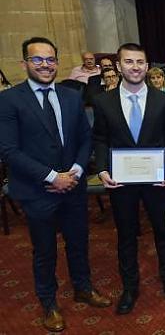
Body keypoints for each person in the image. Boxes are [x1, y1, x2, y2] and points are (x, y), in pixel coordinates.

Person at [0, 37, 111, 333]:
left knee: (78, 243)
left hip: (73, 185)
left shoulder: (71, 95)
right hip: (38, 191)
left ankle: (83, 288)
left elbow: (85, 138)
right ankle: (48, 303)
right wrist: (52, 177)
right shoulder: (10, 100)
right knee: (44, 250)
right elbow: (9, 150)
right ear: (24, 63)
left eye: (50, 59)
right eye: (38, 60)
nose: (45, 65)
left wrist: (74, 171)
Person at [92, 43, 165, 315]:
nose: (135, 67)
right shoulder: (102, 101)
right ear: (118, 66)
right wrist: (102, 168)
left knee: (163, 234)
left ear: (146, 65)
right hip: (121, 183)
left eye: (140, 62)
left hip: (158, 181)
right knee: (126, 236)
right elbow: (100, 138)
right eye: (129, 62)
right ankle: (129, 288)